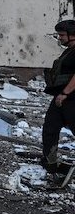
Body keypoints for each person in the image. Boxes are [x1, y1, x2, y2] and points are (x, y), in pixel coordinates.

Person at [41, 19, 75, 183]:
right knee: (50, 128)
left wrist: (65, 93)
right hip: (61, 97)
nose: (59, 38)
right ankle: (51, 164)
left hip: (71, 98)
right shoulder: (69, 51)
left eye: (62, 35)